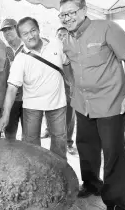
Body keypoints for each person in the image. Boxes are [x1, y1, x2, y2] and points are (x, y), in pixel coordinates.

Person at [59, 0, 125, 210]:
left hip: (111, 103)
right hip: (83, 105)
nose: (67, 18)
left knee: (113, 153)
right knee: (86, 148)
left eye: (71, 13)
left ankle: (115, 201)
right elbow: (70, 72)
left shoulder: (107, 28)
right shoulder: (66, 39)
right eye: (62, 15)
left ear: (84, 11)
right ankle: (92, 184)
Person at [0, 17, 69, 160]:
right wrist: (5, 115)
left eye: (33, 31)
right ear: (21, 37)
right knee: (30, 144)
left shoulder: (56, 45)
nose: (30, 36)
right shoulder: (20, 59)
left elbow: (67, 63)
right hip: (32, 105)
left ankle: (59, 173)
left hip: (58, 103)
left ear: (38, 29)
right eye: (25, 34)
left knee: (59, 142)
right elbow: (12, 89)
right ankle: (35, 172)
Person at [41, 27, 77, 155]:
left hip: (69, 87)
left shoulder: (72, 50)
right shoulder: (51, 50)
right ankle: (48, 130)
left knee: (69, 115)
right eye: (59, 35)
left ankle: (68, 142)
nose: (62, 37)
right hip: (53, 87)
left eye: (64, 35)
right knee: (50, 110)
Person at [0, 18, 24, 140]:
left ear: (17, 29)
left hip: (28, 98)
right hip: (10, 99)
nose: (7, 32)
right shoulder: (3, 50)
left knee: (30, 137)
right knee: (9, 136)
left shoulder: (27, 47)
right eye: (4, 30)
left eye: (10, 29)